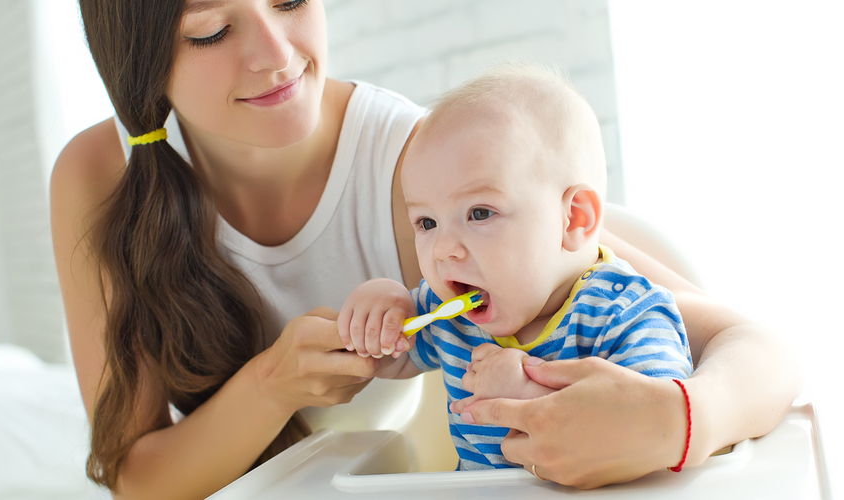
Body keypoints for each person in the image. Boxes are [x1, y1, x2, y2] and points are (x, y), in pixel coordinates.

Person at [49, 0, 801, 498]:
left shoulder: (431, 177)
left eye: (289, 1)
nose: (277, 55)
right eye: (213, 30)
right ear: (140, 62)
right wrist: (271, 384)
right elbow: (136, 478)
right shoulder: (99, 178)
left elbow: (756, 350)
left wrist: (677, 419)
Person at [337, 65, 694, 471]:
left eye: (480, 212)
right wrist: (381, 314)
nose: (443, 249)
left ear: (574, 219)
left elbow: (654, 432)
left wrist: (528, 394)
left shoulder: (626, 314)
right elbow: (395, 356)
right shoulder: (448, 310)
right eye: (427, 223)